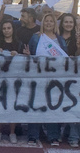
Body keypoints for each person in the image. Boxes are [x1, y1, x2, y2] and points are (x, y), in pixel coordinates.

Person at [26, 16, 65, 146]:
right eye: (46, 21)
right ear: (42, 23)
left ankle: (53, 136)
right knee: (35, 104)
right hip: (37, 77)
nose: (49, 23)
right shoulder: (36, 37)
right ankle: (33, 136)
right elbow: (30, 55)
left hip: (55, 78)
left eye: (51, 21)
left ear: (55, 24)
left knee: (53, 106)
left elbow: (65, 57)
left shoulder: (60, 39)